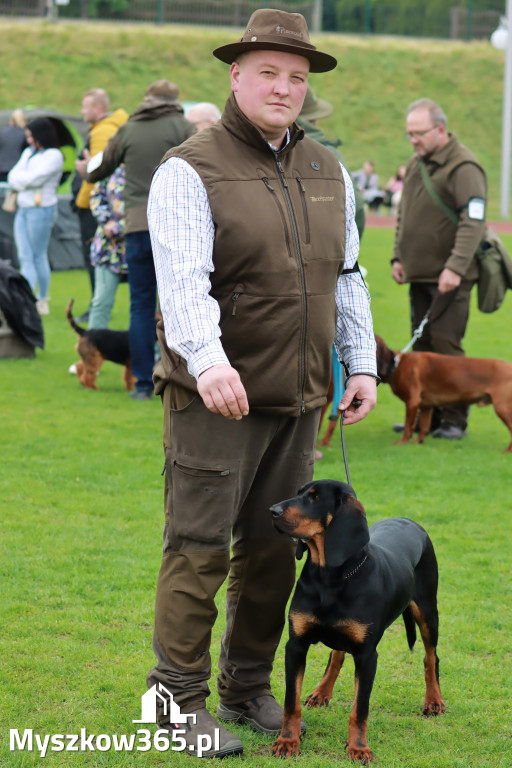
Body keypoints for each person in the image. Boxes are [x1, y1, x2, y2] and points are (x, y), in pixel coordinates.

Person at [146, 9, 378, 758]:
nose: (285, 88)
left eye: (298, 78)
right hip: (216, 394)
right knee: (199, 547)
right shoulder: (190, 166)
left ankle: (246, 687)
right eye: (270, 73)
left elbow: (346, 274)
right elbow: (182, 283)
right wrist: (209, 362)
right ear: (237, 75)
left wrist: (363, 360)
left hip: (303, 396)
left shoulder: (327, 169)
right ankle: (175, 704)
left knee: (276, 552)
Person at [84, 80, 196, 400]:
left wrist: (85, 168)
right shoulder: (184, 127)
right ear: (176, 101)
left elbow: (99, 170)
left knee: (141, 307)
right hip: (175, 227)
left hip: (136, 228)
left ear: (146, 99)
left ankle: (143, 385)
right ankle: (178, 379)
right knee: (179, 304)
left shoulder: (128, 130)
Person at [391, 98, 487, 440]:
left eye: (419, 133)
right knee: (423, 352)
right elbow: (404, 216)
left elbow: (473, 223)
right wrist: (397, 257)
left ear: (441, 130)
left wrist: (455, 267)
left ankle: (454, 421)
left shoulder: (465, 167)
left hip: (449, 277)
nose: (413, 140)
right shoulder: (417, 163)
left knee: (446, 349)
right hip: (419, 274)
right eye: (409, 134)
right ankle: (422, 418)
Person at [74, 89, 128, 322]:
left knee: (135, 300)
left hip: (120, 234)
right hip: (114, 235)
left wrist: (82, 201)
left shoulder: (104, 131)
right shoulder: (110, 128)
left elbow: (95, 171)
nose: (81, 111)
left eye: (85, 106)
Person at [7, 118, 63, 315]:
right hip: (22, 209)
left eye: (31, 136)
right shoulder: (28, 154)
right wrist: (23, 181)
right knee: (25, 256)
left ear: (41, 135)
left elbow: (34, 178)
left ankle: (41, 299)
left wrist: (22, 181)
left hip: (41, 210)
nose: (29, 140)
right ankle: (28, 299)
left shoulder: (54, 155)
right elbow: (12, 176)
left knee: (37, 256)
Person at [88, 165, 127, 328]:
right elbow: (96, 195)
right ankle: (93, 349)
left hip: (139, 245)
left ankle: (151, 352)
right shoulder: (110, 169)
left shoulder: (148, 168)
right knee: (101, 301)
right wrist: (106, 223)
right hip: (108, 249)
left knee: (147, 307)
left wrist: (120, 227)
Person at [0, 109, 27, 182]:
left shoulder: (2, 132)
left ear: (11, 120)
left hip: (1, 169)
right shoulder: (25, 134)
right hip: (17, 170)